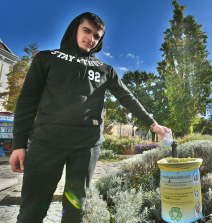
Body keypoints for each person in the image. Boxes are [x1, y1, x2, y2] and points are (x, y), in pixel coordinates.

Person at [9, 12, 169, 223]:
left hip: (86, 146)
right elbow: (27, 101)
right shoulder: (46, 58)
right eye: (87, 31)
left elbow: (127, 98)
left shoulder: (105, 69)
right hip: (46, 143)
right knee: (32, 211)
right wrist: (19, 144)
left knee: (75, 210)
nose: (91, 39)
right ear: (75, 28)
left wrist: (152, 124)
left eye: (97, 36)